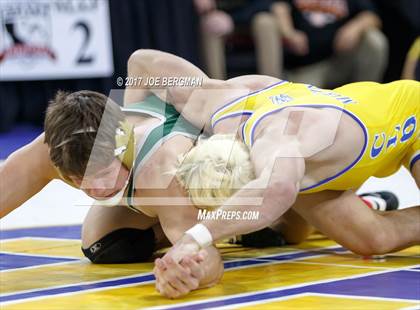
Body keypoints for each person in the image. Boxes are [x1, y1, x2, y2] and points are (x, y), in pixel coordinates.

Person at [125, 50, 419, 265]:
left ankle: (361, 198)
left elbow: (276, 190)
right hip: (336, 133)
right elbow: (140, 61)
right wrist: (137, 132)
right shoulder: (211, 103)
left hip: (410, 114)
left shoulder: (280, 138)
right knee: (372, 240)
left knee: (278, 200)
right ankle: (368, 201)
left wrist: (196, 237)